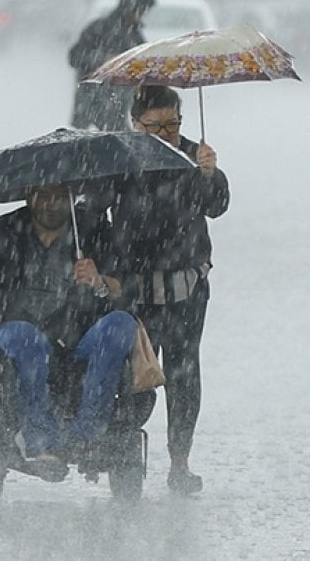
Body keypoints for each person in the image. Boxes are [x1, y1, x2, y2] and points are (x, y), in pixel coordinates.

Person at [0, 183, 137, 465]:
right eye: (43, 195)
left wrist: (98, 281)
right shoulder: (3, 230)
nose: (51, 204)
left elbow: (125, 288)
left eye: (59, 196)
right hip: (21, 328)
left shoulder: (95, 228)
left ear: (71, 197)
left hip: (80, 336)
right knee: (24, 339)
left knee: (121, 324)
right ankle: (41, 439)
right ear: (28, 194)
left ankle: (87, 435)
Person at [109, 85, 229, 494]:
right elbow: (93, 211)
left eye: (173, 124)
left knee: (184, 372)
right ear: (135, 123)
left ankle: (180, 462)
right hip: (136, 292)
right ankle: (125, 455)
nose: (166, 133)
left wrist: (210, 175)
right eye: (155, 126)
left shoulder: (196, 158)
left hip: (186, 290)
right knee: (137, 374)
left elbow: (217, 205)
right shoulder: (120, 158)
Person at [67, 0, 156, 131]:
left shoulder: (137, 39)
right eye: (141, 9)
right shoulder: (99, 29)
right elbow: (74, 56)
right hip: (88, 111)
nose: (143, 14)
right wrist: (104, 59)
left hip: (118, 113)